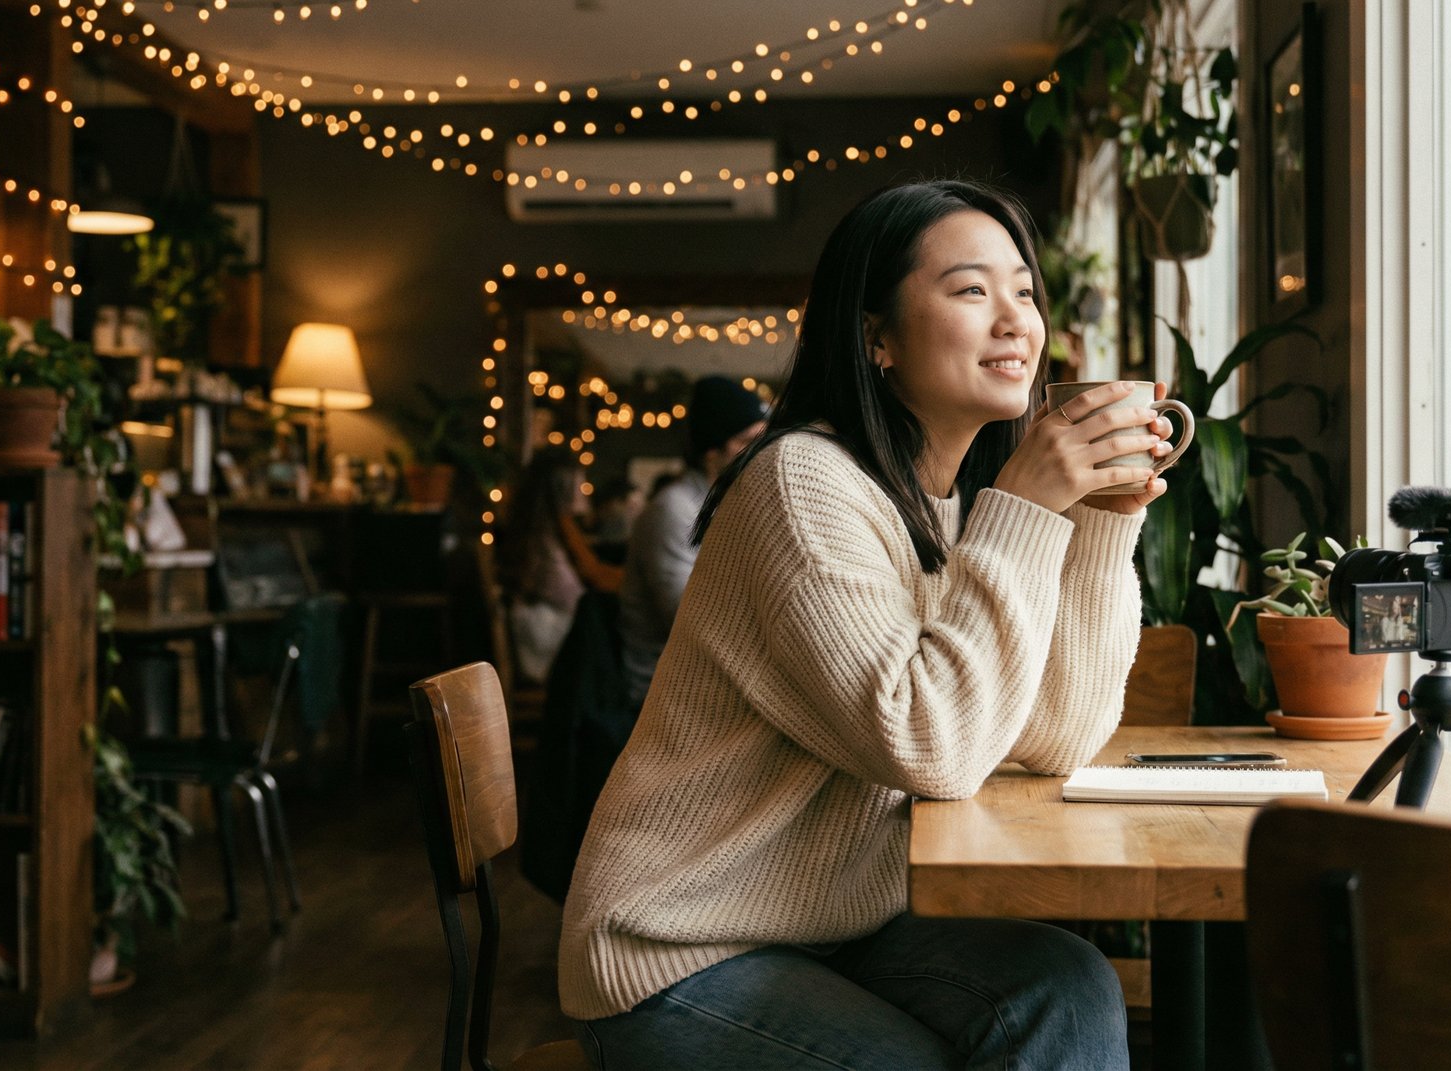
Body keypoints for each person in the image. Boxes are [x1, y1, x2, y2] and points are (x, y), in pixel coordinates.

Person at [558, 178, 1178, 1070]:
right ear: (875, 337)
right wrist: (1026, 506)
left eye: (1024, 290)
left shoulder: (949, 506)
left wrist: (1100, 520)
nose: (1017, 320)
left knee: (1068, 984)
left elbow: (1054, 736)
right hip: (678, 944)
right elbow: (930, 744)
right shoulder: (801, 484)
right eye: (972, 290)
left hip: (838, 924)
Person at [618, 375, 769, 712]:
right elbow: (689, 618)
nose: (761, 452)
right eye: (747, 441)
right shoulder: (674, 509)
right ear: (711, 452)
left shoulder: (729, 504)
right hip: (667, 689)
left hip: (713, 676)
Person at [505, 450, 624, 684]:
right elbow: (590, 579)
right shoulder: (556, 528)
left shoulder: (534, 526)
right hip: (548, 646)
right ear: (563, 486)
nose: (583, 487)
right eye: (579, 480)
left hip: (536, 633)